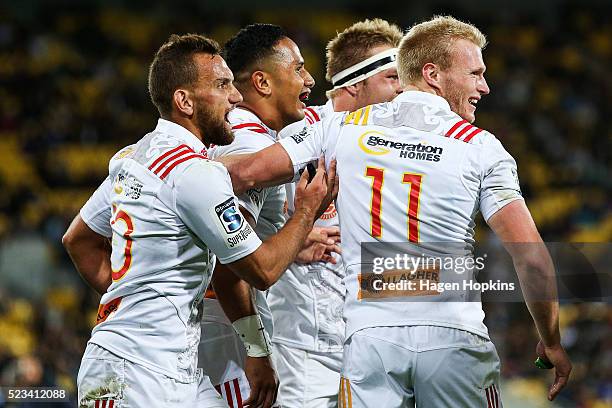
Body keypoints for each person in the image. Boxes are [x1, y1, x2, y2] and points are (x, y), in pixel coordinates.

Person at [221, 16, 572, 407]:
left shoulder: (341, 128)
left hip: (370, 341)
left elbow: (244, 173)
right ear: (432, 74)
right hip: (453, 337)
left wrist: (163, 167)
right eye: (475, 73)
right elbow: (532, 258)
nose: (484, 86)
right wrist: (552, 339)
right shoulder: (481, 146)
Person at [63, 33, 331, 408]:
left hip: (169, 367)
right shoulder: (194, 174)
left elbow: (79, 240)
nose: (235, 98)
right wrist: (306, 210)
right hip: (137, 373)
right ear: (184, 101)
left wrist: (128, 299)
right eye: (222, 86)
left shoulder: (133, 156)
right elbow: (261, 270)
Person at [197, 23, 336, 407]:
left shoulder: (246, 132)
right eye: (297, 68)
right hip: (226, 327)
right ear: (262, 82)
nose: (308, 79)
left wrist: (293, 242)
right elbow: (229, 268)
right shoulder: (251, 142)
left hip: (217, 322)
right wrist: (256, 348)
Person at [267, 18, 403, 407]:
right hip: (304, 350)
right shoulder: (300, 133)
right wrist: (289, 240)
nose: (403, 90)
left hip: (372, 344)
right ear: (354, 84)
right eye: (393, 77)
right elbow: (221, 197)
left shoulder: (395, 149)